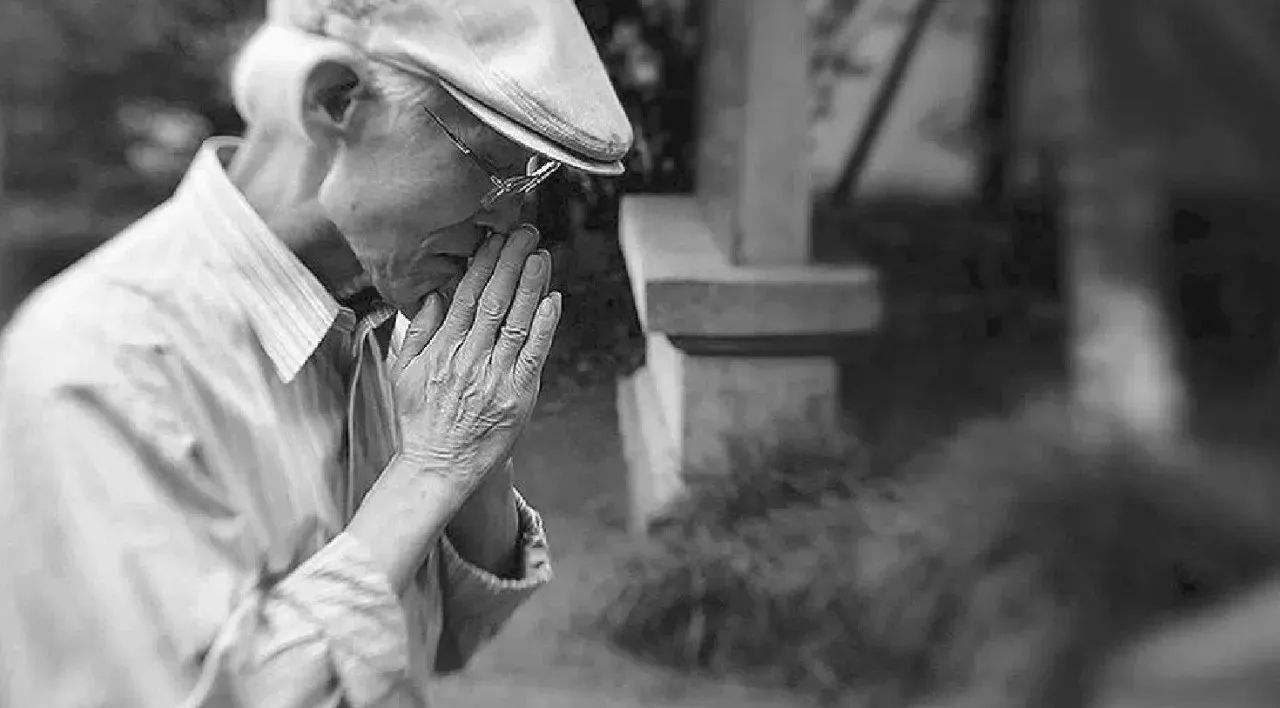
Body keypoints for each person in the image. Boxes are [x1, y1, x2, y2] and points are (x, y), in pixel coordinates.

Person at [0, 0, 632, 705]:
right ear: (335, 101)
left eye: (528, 182)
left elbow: (450, 636)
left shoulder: (369, 315)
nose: (509, 220)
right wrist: (430, 468)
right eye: (490, 162)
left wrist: (476, 448)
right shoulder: (98, 365)